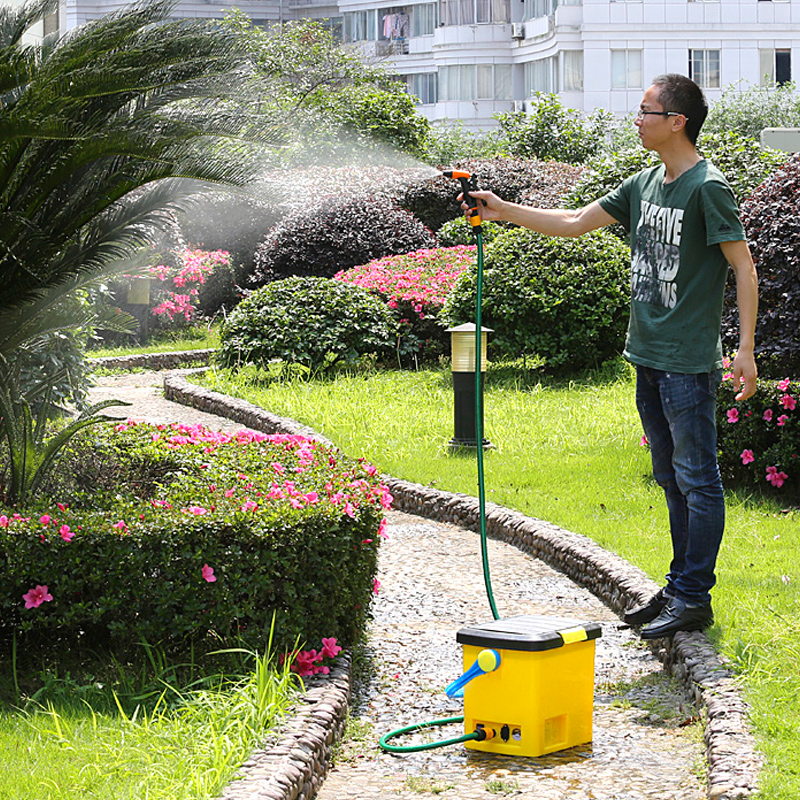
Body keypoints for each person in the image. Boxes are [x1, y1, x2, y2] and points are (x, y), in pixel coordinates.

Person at [463, 74, 758, 639]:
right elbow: (575, 223)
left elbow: (742, 267)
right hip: (648, 355)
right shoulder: (645, 183)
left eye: (646, 111)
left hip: (687, 361)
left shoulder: (707, 187)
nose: (637, 119)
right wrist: (502, 210)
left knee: (698, 480)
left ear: (677, 122)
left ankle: (694, 597)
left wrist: (744, 348)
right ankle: (679, 587)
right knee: (671, 478)